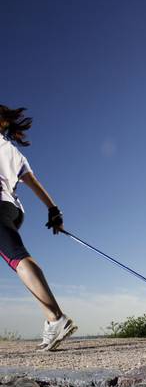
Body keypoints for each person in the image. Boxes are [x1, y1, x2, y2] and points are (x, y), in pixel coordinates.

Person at [0, 105, 76, 351]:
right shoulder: (13, 152)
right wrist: (54, 210)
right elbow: (34, 184)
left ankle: (56, 318)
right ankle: (53, 322)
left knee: (17, 257)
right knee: (15, 258)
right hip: (14, 210)